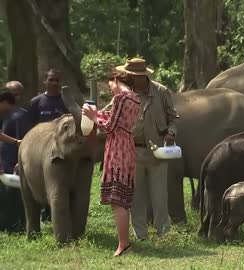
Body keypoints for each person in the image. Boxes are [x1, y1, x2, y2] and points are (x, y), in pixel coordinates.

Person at [119, 58, 178, 240]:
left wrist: (171, 132)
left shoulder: (160, 92)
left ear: (140, 76)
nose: (129, 77)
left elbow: (173, 118)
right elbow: (110, 114)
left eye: (132, 75)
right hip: (133, 152)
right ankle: (140, 236)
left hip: (157, 152)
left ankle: (164, 234)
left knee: (160, 197)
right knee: (137, 198)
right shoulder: (124, 95)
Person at [83, 71, 141, 256]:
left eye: (110, 84)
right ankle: (125, 243)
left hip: (117, 148)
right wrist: (96, 113)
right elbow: (114, 118)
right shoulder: (135, 99)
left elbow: (109, 127)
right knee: (122, 199)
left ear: (116, 80)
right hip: (128, 146)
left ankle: (124, 244)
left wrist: (93, 118)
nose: (109, 88)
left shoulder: (120, 98)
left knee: (117, 200)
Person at [29, 69, 69, 222]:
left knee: (58, 180)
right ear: (45, 81)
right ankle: (42, 212)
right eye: (51, 80)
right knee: (40, 178)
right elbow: (31, 126)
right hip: (39, 147)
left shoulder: (65, 101)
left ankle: (57, 214)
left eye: (57, 80)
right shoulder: (36, 102)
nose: (54, 83)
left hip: (60, 148)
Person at [0, 82, 33, 232]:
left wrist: (16, 143)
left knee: (11, 194)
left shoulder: (17, 115)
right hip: (5, 162)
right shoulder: (9, 115)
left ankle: (13, 224)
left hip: (10, 161)